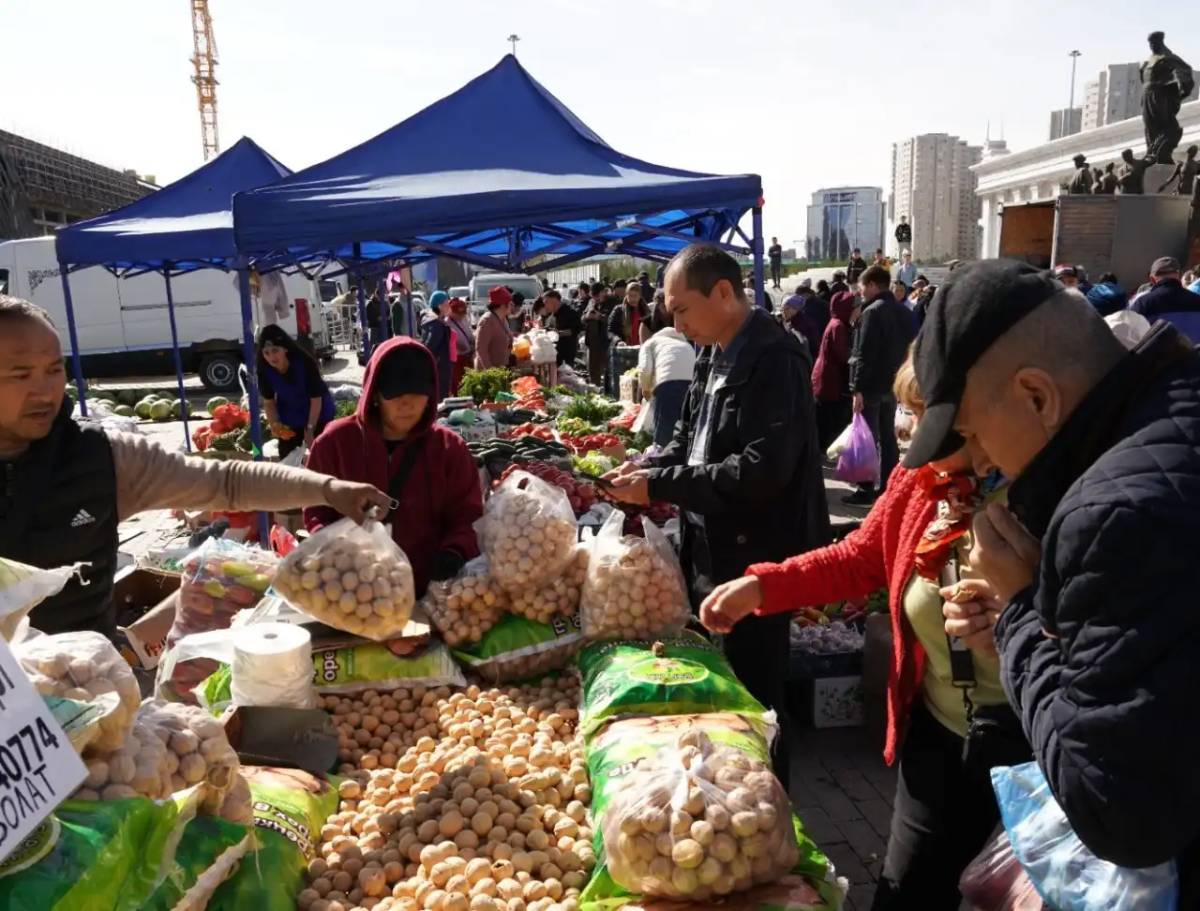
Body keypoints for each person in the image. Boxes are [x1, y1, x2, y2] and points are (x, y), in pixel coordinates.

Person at [903, 258, 1200, 904]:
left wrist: (1015, 611)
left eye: (975, 433)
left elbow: (1119, 811)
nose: (979, 459)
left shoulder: (1114, 511)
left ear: (1037, 395)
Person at [700, 358, 1025, 910]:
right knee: (907, 891)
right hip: (941, 735)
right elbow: (861, 558)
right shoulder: (920, 480)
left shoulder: (1047, 496)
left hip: (1034, 747)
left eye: (925, 415)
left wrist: (1017, 625)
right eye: (906, 410)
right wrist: (762, 588)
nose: (906, 429)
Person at [0, 296, 389, 636]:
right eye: (21, 374)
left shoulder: (102, 457)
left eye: (54, 369)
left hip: (87, 690)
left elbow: (225, 482)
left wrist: (325, 488)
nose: (44, 390)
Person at [603, 244, 831, 786]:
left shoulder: (776, 358)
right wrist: (648, 464)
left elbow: (760, 471)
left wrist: (660, 483)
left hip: (755, 557)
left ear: (724, 293)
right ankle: (724, 793)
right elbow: (685, 438)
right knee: (718, 691)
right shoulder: (711, 350)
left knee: (755, 700)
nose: (675, 324)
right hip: (708, 545)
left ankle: (769, 808)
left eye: (682, 310)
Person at [306, 338, 483, 597]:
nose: (407, 404)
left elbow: (468, 515)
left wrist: (454, 552)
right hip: (353, 590)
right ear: (375, 393)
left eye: (417, 394)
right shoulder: (335, 443)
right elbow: (316, 510)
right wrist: (333, 554)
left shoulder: (449, 449)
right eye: (396, 394)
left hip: (429, 592)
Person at [845, 265, 916, 505]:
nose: (860, 291)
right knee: (888, 438)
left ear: (874, 285)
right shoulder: (905, 312)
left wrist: (857, 389)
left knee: (868, 438)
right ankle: (889, 489)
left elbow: (864, 354)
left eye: (863, 286)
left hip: (872, 385)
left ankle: (866, 489)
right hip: (894, 385)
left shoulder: (873, 312)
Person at [257, 324, 335, 459]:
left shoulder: (304, 363)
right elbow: (268, 402)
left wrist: (310, 430)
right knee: (288, 458)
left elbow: (316, 399)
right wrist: (275, 425)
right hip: (290, 414)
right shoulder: (264, 370)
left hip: (318, 412)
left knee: (321, 456)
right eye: (266, 353)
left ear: (285, 349)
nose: (271, 357)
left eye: (275, 350)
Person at [635, 302, 696, 446]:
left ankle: (662, 464)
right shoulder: (686, 344)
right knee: (686, 433)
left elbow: (644, 369)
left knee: (665, 436)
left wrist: (646, 390)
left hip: (666, 386)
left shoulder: (652, 343)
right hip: (692, 389)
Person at [812, 290, 855, 451]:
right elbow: (843, 354)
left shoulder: (836, 322)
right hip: (830, 379)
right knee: (828, 417)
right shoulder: (839, 326)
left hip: (826, 377)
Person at [1129, 255, 1200, 340]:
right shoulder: (1197, 300)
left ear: (1152, 279)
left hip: (1155, 353)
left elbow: (1129, 337)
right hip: (1193, 352)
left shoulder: (1143, 303)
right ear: (1180, 276)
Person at [420, 291, 453, 403]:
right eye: (446, 304)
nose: (449, 307)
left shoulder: (430, 321)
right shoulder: (437, 325)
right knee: (439, 401)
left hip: (436, 368)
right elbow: (430, 346)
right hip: (439, 369)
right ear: (439, 306)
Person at [475, 286, 515, 369]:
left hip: (501, 369)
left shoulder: (503, 319)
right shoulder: (487, 321)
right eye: (510, 303)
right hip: (488, 374)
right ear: (502, 305)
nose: (512, 305)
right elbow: (481, 350)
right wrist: (491, 372)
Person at [541, 289, 582, 367]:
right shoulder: (553, 314)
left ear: (554, 300)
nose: (545, 306)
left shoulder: (570, 312)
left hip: (566, 353)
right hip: (554, 353)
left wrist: (558, 333)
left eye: (546, 302)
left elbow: (576, 329)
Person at [584, 281, 612, 388]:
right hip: (592, 342)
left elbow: (611, 320)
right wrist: (587, 316)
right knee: (593, 371)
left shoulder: (611, 302)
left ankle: (608, 391)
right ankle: (595, 391)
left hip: (605, 341)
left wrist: (599, 317)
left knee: (607, 370)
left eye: (597, 295)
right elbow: (583, 318)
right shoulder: (591, 302)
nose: (596, 298)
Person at [446, 297, 475, 395]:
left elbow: (469, 334)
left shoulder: (464, 320)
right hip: (457, 359)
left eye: (462, 314)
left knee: (469, 383)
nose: (460, 316)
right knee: (458, 384)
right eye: (458, 314)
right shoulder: (447, 323)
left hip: (468, 356)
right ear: (451, 311)